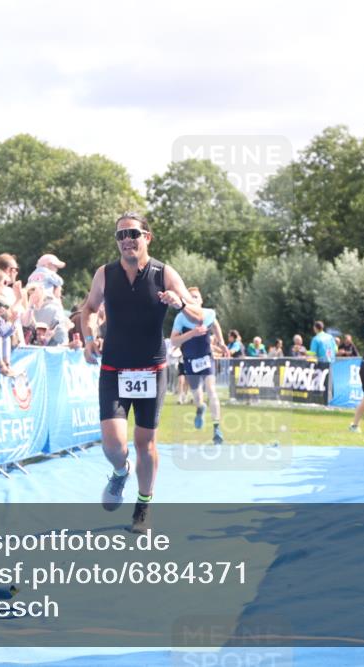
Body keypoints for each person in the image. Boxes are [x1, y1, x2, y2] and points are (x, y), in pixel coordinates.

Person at [81, 212, 203, 533]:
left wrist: (179, 303)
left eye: (133, 233)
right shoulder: (105, 274)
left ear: (146, 237)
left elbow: (197, 314)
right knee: (113, 445)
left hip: (151, 368)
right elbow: (89, 308)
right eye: (120, 235)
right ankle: (120, 472)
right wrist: (90, 339)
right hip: (114, 367)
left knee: (144, 443)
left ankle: (143, 506)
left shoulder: (164, 273)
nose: (126, 240)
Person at [170, 286, 229, 445]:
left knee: (211, 390)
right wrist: (192, 333)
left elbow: (215, 325)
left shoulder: (208, 313)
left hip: (206, 357)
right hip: (190, 362)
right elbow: (174, 341)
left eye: (196, 296)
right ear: (186, 300)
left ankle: (217, 428)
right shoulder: (180, 318)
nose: (194, 299)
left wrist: (221, 343)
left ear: (201, 300)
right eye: (191, 297)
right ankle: (200, 408)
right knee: (197, 395)